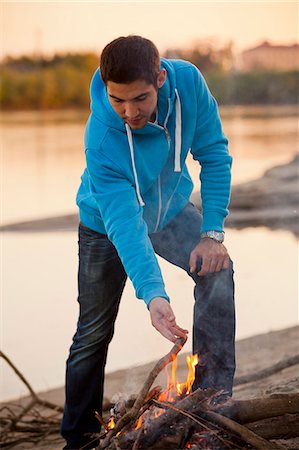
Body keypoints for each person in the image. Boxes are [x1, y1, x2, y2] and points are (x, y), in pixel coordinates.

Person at [61, 35, 235, 449]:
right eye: (118, 100)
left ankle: (211, 402)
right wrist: (154, 295)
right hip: (106, 224)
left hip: (170, 208)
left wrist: (213, 235)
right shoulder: (102, 137)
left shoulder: (189, 84)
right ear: (106, 89)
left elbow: (214, 155)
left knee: (219, 270)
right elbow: (125, 224)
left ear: (160, 78)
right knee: (93, 331)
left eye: (139, 99)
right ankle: (79, 437)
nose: (128, 112)